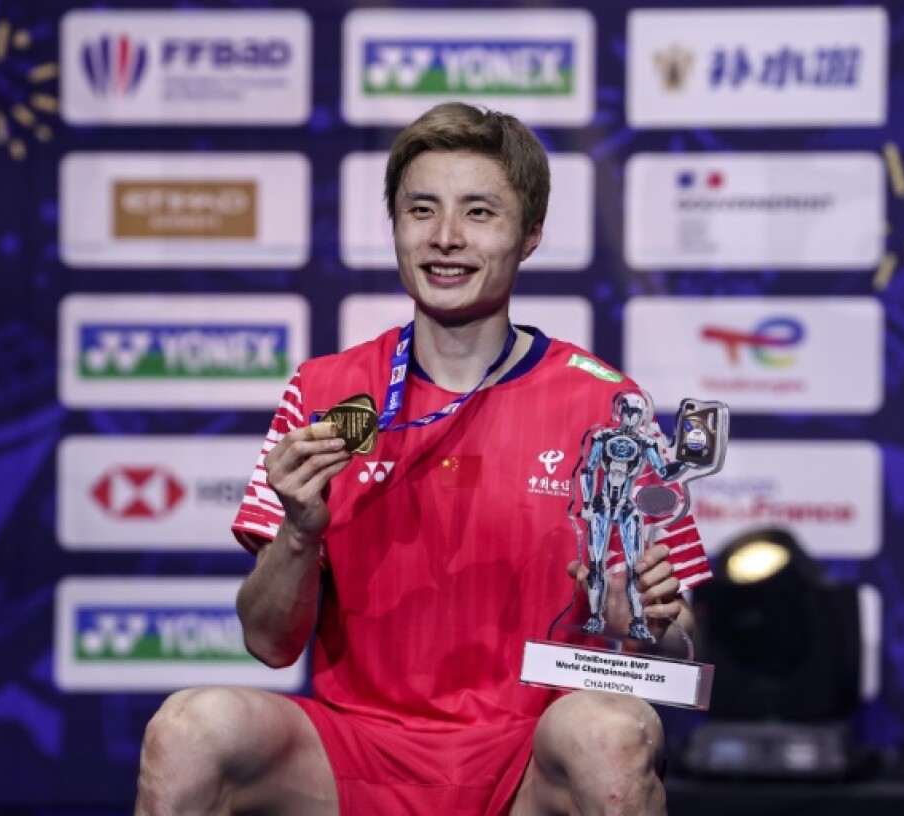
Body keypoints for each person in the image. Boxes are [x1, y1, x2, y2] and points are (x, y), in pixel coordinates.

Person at [134, 102, 713, 816]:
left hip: (530, 756)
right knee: (188, 729)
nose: (445, 239)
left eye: (479, 213)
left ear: (529, 235)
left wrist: (646, 625)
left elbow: (681, 650)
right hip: (355, 753)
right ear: (397, 227)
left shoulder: (607, 407)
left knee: (613, 732)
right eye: (421, 210)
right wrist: (298, 533)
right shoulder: (325, 395)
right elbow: (268, 643)